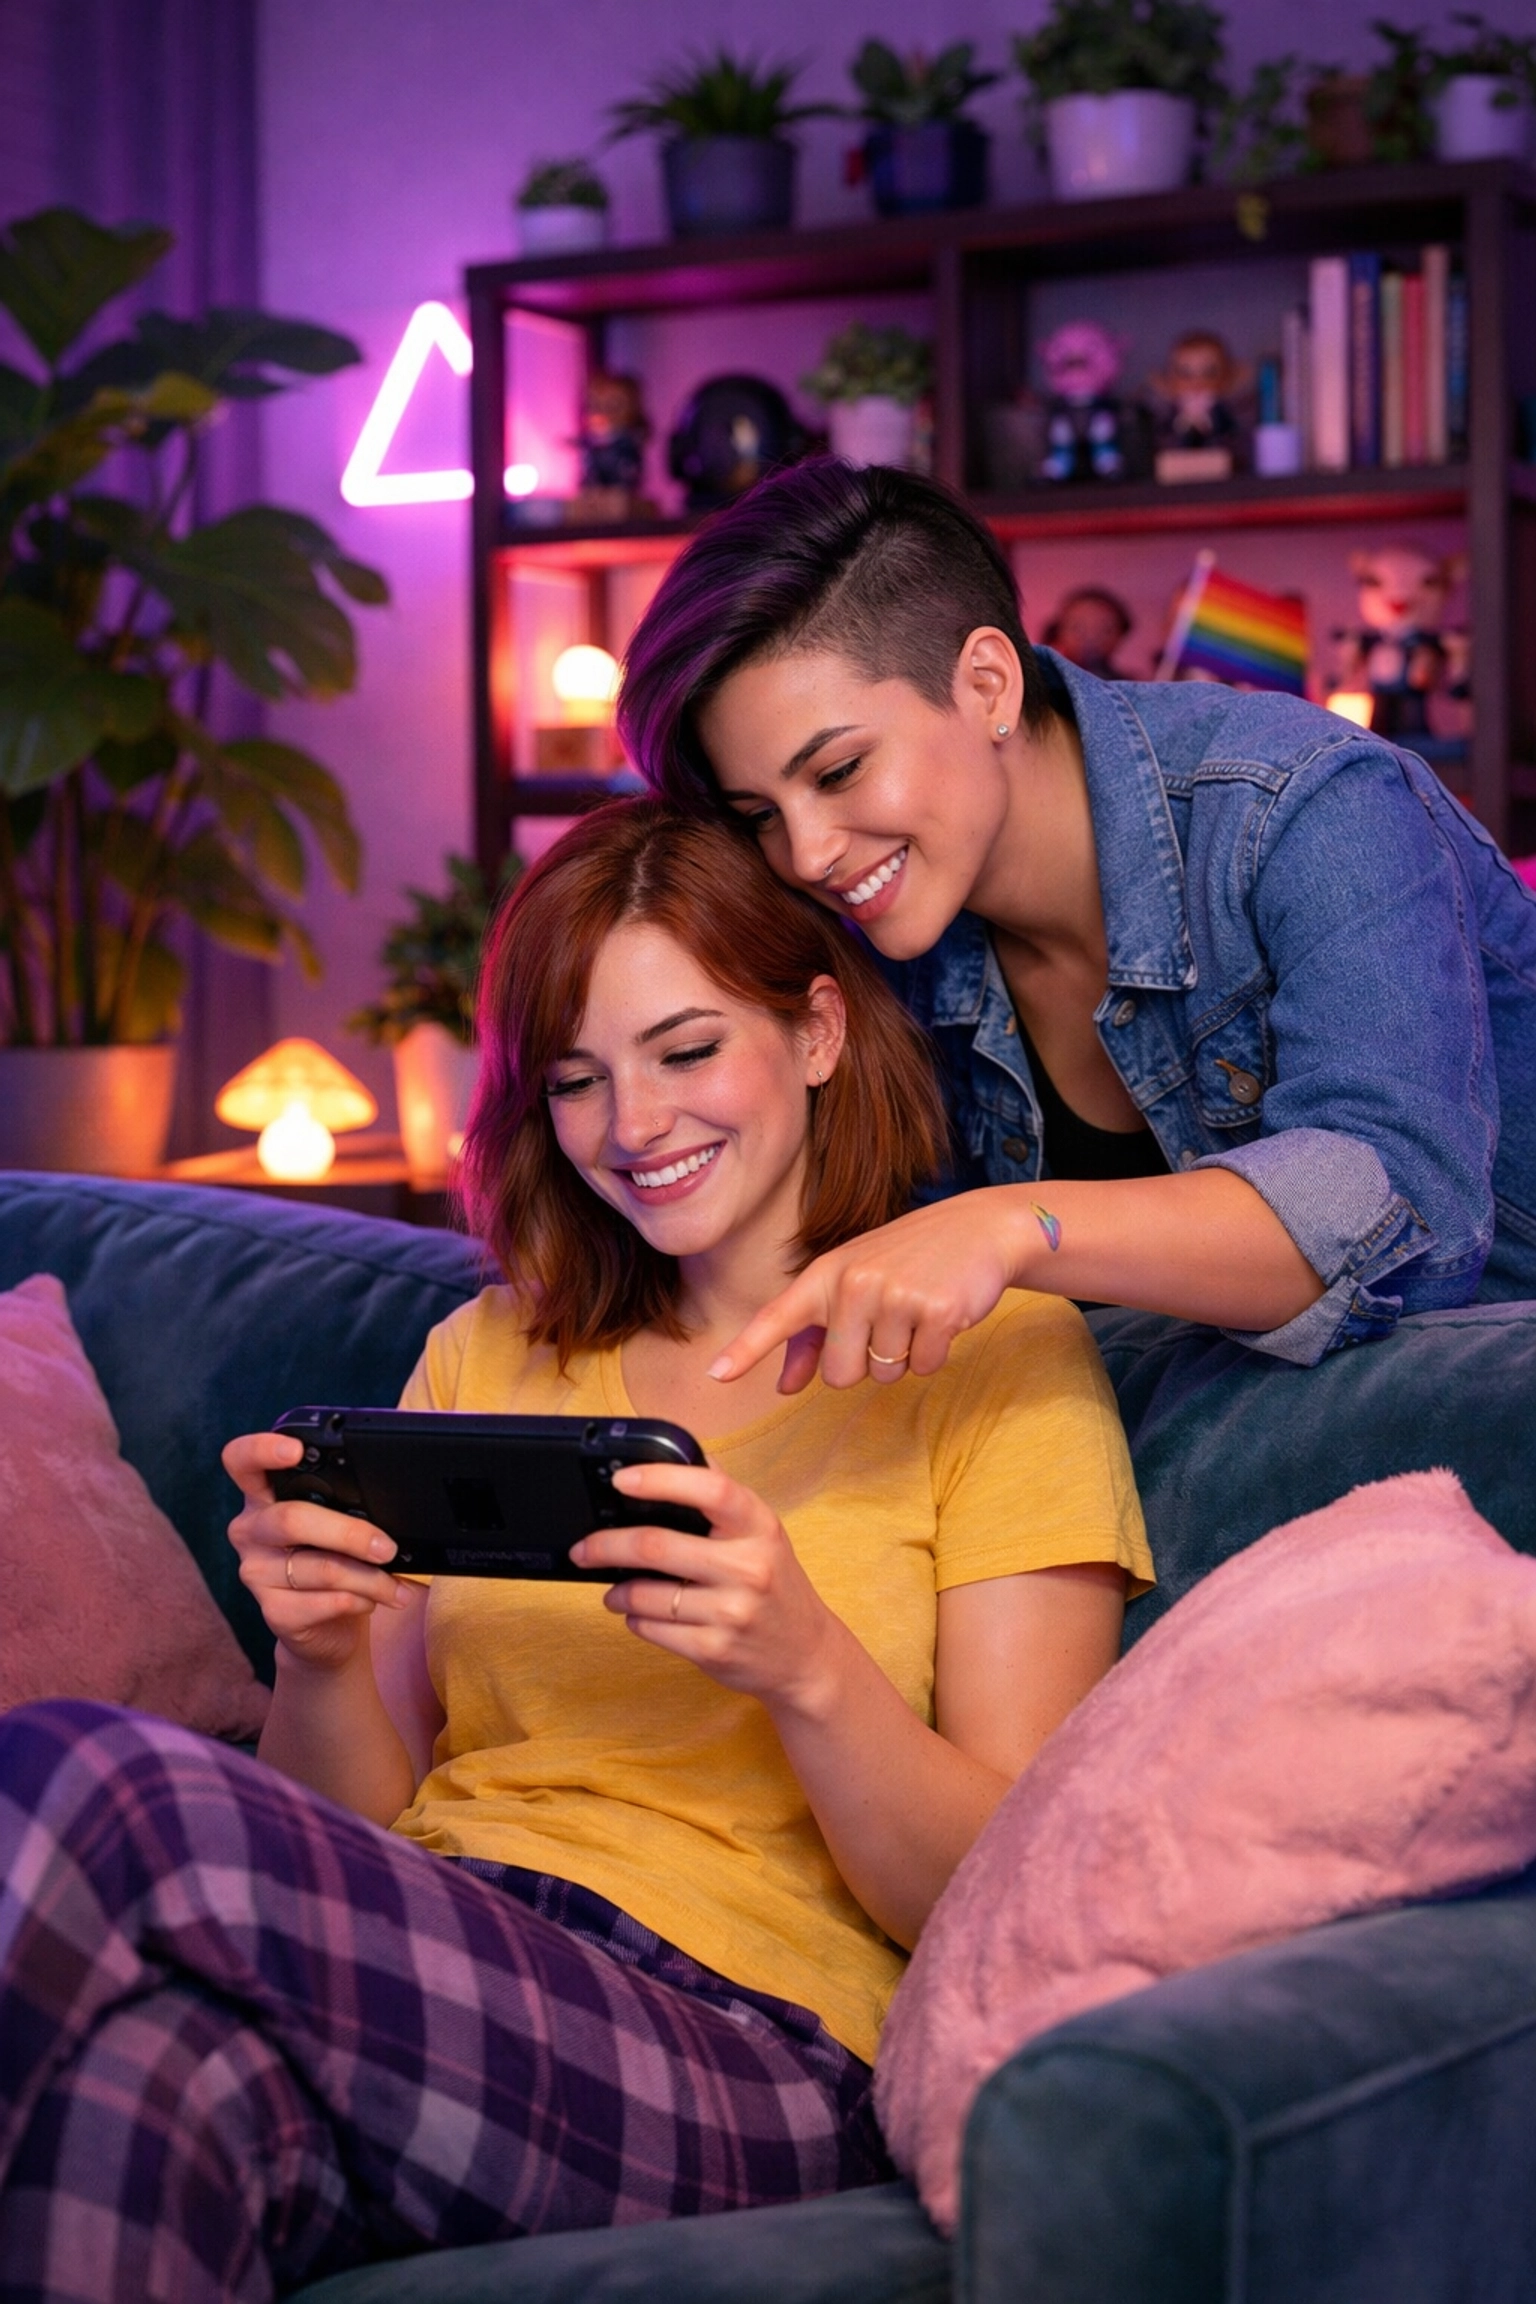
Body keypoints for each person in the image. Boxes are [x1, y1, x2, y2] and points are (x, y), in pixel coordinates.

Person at [0, 801, 1150, 2300]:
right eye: (579, 1082)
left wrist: (805, 1666)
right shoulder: (487, 1352)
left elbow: (998, 1900)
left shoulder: (998, 1356)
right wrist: (323, 1652)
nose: (635, 1127)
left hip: (752, 2041)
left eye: (686, 1051)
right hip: (447, 1943)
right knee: (151, 2089)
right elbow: (343, 1827)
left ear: (813, 1031)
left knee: (88, 1777)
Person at [616, 457, 1536, 1391]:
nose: (807, 854)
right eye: (760, 813)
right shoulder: (878, 939)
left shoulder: (1303, 803)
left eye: (840, 771)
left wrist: (1016, 1227)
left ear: (987, 685)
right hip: (1165, 1449)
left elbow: (1403, 1210)